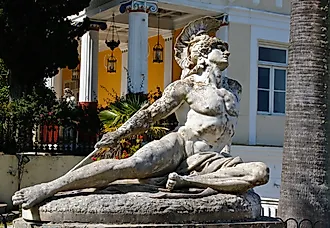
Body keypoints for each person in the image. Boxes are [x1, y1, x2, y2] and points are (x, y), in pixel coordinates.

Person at [12, 17, 269, 209]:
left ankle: (184, 182)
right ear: (203, 55)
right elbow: (150, 115)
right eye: (219, 47)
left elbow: (227, 129)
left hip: (214, 159)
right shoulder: (185, 87)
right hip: (182, 145)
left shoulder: (235, 88)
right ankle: (49, 187)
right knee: (130, 165)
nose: (227, 51)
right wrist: (118, 134)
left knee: (259, 172)